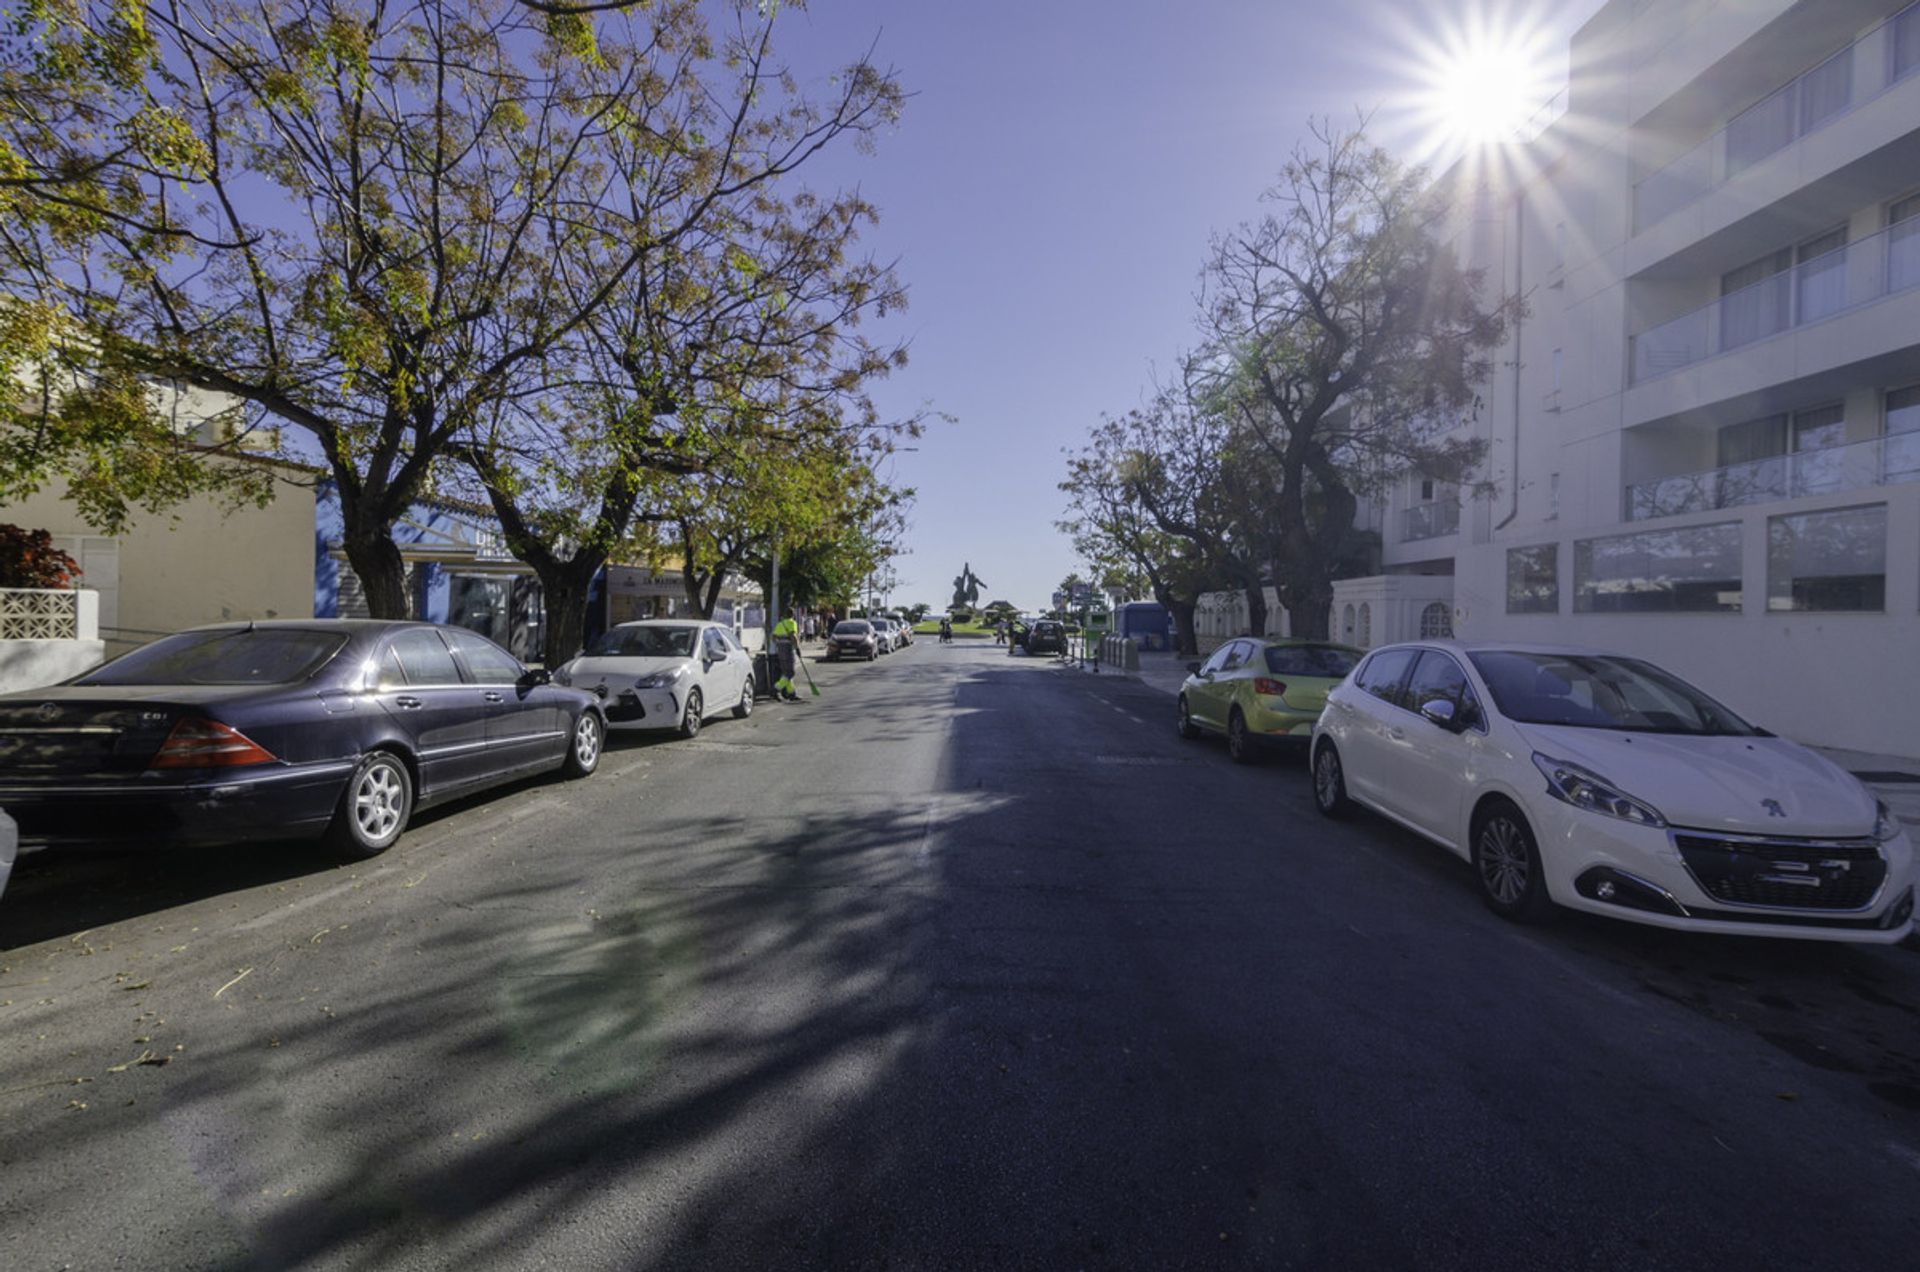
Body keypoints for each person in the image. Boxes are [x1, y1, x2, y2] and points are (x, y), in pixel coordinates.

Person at [772, 613, 801, 702]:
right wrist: (797, 648)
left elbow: (773, 637)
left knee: (785, 672)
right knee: (791, 672)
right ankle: (776, 689)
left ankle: (791, 693)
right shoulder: (792, 623)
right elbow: (793, 636)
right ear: (793, 615)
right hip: (788, 649)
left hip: (780, 649)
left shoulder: (780, 624)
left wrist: (778, 644)